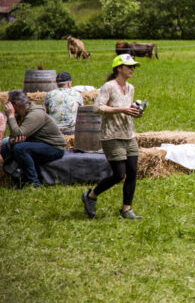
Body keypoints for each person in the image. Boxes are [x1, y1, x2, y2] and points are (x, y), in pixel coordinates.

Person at [81, 54, 143, 220]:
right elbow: (97, 107)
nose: (132, 69)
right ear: (119, 68)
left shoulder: (131, 88)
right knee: (118, 174)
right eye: (129, 66)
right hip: (111, 135)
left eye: (133, 66)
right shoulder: (108, 86)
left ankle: (126, 209)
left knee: (132, 172)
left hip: (129, 134)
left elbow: (127, 109)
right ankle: (91, 196)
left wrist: (135, 113)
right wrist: (121, 109)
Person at [1, 89, 66, 187]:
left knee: (20, 148)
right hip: (38, 143)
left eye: (9, 103)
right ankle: (16, 177)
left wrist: (10, 116)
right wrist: (13, 139)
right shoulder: (22, 113)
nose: (7, 106)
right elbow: (15, 136)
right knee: (6, 145)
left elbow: (17, 134)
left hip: (54, 147)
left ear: (16, 104)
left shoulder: (35, 114)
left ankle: (33, 183)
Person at [44, 71, 84, 135]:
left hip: (54, 131)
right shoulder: (77, 94)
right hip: (72, 131)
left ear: (57, 84)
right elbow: (82, 113)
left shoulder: (49, 95)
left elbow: (46, 113)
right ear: (69, 83)